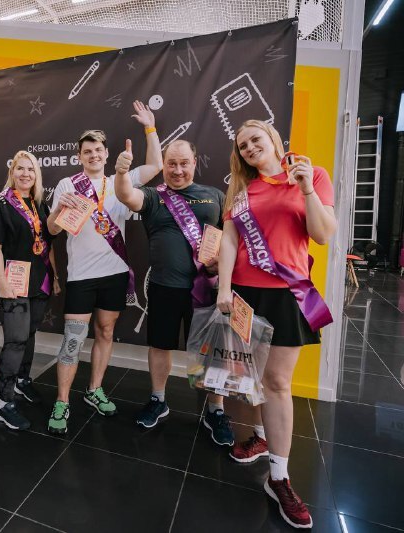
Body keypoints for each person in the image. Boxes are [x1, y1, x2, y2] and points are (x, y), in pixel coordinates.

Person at [217, 120, 335, 529]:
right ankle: (258, 437)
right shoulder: (241, 191)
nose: (250, 147)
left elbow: (323, 235)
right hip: (245, 295)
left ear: (273, 140)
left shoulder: (311, 175)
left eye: (256, 139)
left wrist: (306, 190)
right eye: (243, 145)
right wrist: (224, 287)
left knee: (278, 383)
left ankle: (279, 477)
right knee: (248, 376)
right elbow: (229, 240)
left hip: (288, 293)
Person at [44, 101, 162, 435]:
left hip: (114, 273)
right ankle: (62, 401)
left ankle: (94, 389)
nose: (93, 155)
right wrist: (58, 211)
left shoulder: (120, 180)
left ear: (107, 154)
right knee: (72, 340)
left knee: (106, 332)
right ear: (79, 156)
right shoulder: (68, 185)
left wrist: (150, 127)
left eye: (98, 150)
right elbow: (51, 230)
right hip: (81, 276)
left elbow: (156, 164)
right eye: (87, 151)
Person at [113, 139, 234, 446]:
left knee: (211, 352)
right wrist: (122, 172)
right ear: (164, 165)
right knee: (160, 345)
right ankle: (158, 399)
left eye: (184, 163)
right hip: (164, 287)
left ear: (194, 162)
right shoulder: (154, 196)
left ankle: (216, 411)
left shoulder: (215, 196)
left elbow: (232, 240)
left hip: (206, 289)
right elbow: (126, 195)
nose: (178, 170)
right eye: (171, 164)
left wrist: (220, 265)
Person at [0, 150, 60, 430]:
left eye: (31, 169)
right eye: (20, 168)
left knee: (29, 334)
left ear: (36, 175)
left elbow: (47, 243)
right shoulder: (1, 203)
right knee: (15, 340)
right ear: (12, 172)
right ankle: (4, 404)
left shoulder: (40, 203)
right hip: (13, 281)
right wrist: (1, 281)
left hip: (40, 280)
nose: (26, 173)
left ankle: (22, 380)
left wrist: (54, 275)